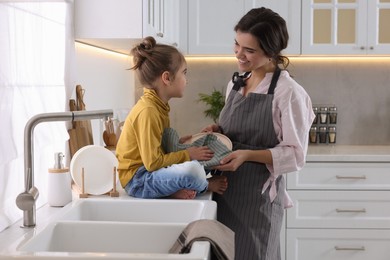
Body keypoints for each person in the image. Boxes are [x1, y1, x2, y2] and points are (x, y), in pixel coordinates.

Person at [202, 7, 315, 260]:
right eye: (237, 44)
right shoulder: (237, 81)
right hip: (223, 193)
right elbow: (235, 131)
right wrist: (217, 131)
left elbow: (295, 155)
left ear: (271, 52)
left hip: (256, 199)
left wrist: (247, 155)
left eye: (249, 50)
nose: (239, 54)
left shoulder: (289, 93)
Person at [116, 36, 228, 200]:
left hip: (151, 174)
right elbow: (153, 163)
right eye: (184, 73)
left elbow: (157, 150)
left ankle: (172, 190)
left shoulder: (159, 107)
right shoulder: (148, 111)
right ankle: (204, 185)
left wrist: (179, 145)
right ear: (167, 78)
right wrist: (187, 154)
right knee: (193, 171)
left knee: (202, 161)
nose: (186, 80)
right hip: (138, 180)